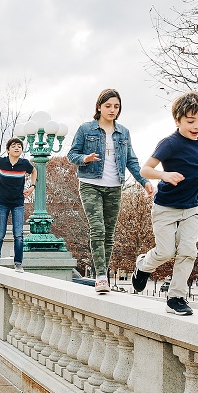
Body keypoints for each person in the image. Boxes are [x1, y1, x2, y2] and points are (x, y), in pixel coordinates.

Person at [131, 92, 198, 315]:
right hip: (166, 208)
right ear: (178, 120)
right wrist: (165, 175)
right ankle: (143, 266)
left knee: (188, 251)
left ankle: (176, 297)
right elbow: (145, 169)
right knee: (165, 252)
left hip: (192, 207)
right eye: (190, 121)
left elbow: (195, 158)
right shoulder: (169, 143)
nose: (197, 126)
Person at [67, 88, 152, 293]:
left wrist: (144, 181)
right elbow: (71, 154)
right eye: (108, 106)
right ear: (99, 107)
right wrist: (84, 159)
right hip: (90, 184)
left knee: (109, 234)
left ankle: (102, 272)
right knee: (98, 228)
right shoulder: (86, 129)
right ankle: (101, 277)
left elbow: (131, 160)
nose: (112, 110)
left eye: (116, 106)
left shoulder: (124, 132)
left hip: (115, 187)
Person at [0, 137, 36, 272]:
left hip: (18, 203)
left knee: (18, 234)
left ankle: (18, 263)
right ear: (8, 149)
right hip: (2, 201)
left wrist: (32, 186)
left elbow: (34, 171)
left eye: (19, 146)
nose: (16, 148)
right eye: (13, 146)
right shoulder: (1, 162)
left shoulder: (24, 164)